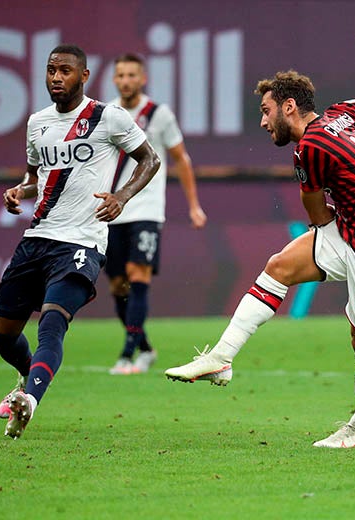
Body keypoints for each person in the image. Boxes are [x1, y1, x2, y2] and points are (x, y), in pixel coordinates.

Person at [165, 31, 355, 448]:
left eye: (266, 112)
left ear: (288, 106)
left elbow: (317, 215)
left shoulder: (311, 148)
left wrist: (344, 218)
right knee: (278, 266)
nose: (263, 122)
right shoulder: (343, 114)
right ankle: (221, 358)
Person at [0, 44, 161, 439]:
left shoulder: (108, 117)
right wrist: (19, 191)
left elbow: (149, 159)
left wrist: (121, 196)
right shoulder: (37, 123)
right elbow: (38, 179)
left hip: (82, 242)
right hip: (38, 238)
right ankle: (26, 375)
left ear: (83, 76)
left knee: (52, 323)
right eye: (51, 70)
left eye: (65, 71)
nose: (56, 77)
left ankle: (30, 401)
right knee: (0, 336)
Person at [106, 53, 207, 375]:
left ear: (143, 78)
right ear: (114, 79)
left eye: (131, 75)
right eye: (120, 75)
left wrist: (194, 206)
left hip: (147, 209)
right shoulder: (107, 114)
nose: (125, 80)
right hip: (112, 210)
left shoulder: (159, 115)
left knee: (138, 275)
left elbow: (181, 160)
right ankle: (146, 348)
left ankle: (126, 354)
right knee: (118, 285)